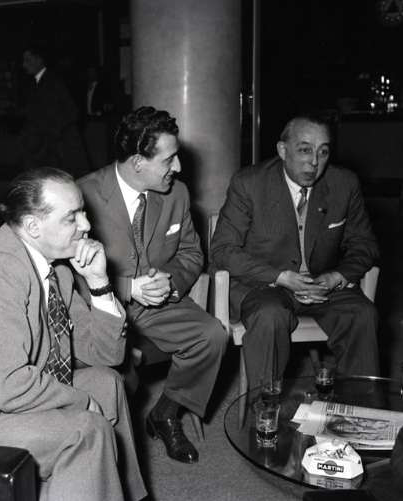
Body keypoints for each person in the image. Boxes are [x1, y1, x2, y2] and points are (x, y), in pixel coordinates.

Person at [0, 168, 146, 501]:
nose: (87, 225)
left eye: (83, 213)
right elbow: (7, 385)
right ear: (33, 227)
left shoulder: (56, 270)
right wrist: (82, 402)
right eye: (72, 217)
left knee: (107, 383)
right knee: (85, 431)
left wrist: (99, 283)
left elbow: (106, 355)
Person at [78, 106, 227, 464]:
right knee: (118, 376)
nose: (178, 167)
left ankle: (165, 413)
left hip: (159, 305)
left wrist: (169, 281)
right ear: (137, 162)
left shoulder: (177, 194)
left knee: (212, 335)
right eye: (169, 159)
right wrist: (129, 288)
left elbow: (192, 253)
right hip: (100, 308)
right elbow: (66, 273)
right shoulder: (83, 195)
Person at [210, 114, 379, 391]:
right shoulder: (249, 183)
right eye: (304, 150)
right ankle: (265, 410)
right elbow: (223, 250)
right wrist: (281, 277)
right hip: (265, 285)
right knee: (270, 316)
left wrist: (336, 277)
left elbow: (365, 244)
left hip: (322, 285)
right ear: (282, 150)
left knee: (362, 314)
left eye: (323, 152)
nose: (314, 162)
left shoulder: (344, 184)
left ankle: (360, 409)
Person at [19, 45, 89, 178]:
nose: (24, 65)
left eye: (28, 60)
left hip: (57, 148)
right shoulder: (38, 83)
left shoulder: (53, 81)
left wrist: (50, 137)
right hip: (49, 148)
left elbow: (70, 111)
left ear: (39, 60)